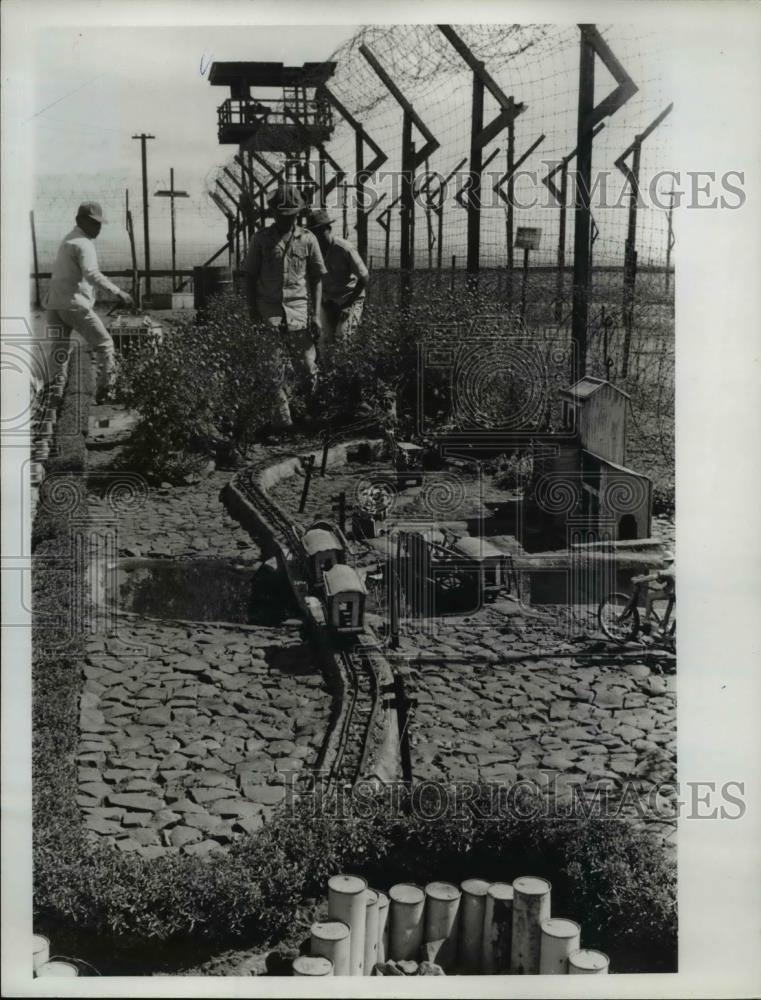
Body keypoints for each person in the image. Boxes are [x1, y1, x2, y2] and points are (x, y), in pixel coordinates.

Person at [244, 184, 326, 438]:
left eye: (291, 213)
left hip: (300, 313)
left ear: (298, 213)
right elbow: (249, 276)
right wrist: (252, 311)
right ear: (273, 213)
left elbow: (317, 278)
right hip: (269, 313)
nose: (286, 218)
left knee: (308, 368)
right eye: (282, 213)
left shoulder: (308, 239)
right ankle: (283, 424)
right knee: (272, 370)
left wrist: (315, 315)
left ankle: (312, 419)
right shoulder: (260, 239)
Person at [44, 202, 133, 402]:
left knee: (59, 351)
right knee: (105, 344)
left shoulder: (68, 239)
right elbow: (91, 273)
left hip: (54, 306)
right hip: (74, 304)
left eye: (100, 223)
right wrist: (118, 292)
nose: (98, 227)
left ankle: (54, 398)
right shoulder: (84, 244)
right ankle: (107, 391)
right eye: (94, 223)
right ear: (80, 221)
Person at [305, 208, 368, 355]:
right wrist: (318, 307)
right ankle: (327, 375)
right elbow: (313, 280)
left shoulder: (343, 248)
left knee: (342, 336)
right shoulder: (312, 252)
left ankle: (344, 374)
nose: (318, 235)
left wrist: (348, 304)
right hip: (328, 300)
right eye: (314, 232)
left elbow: (364, 277)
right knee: (323, 340)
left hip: (349, 297)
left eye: (321, 231)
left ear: (329, 229)